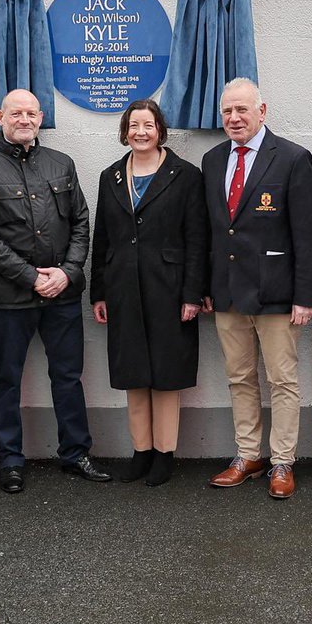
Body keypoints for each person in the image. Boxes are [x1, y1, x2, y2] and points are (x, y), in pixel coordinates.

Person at [0, 89, 111, 493]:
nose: (24, 119)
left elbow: (81, 222)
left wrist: (67, 272)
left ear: (40, 117)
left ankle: (76, 452)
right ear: (0, 116)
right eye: (16, 113)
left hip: (63, 294)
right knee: (8, 379)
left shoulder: (61, 164)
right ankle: (10, 460)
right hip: (11, 297)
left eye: (31, 113)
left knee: (67, 376)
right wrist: (32, 277)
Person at [202, 78, 312, 500]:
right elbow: (212, 232)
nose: (234, 118)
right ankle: (248, 455)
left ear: (262, 111)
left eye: (242, 110)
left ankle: (282, 461)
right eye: (227, 112)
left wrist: (307, 296)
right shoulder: (213, 160)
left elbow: (308, 235)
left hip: (277, 293)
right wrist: (206, 286)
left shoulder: (292, 158)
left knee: (282, 380)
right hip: (228, 292)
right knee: (239, 378)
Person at [90, 100, 208, 487]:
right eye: (134, 125)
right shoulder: (110, 177)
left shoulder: (186, 175)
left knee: (165, 374)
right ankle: (140, 451)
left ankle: (163, 453)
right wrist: (99, 292)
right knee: (133, 372)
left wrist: (193, 293)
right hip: (123, 289)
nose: (141, 132)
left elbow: (197, 238)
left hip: (169, 290)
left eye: (149, 125)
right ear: (125, 131)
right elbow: (102, 237)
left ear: (161, 130)